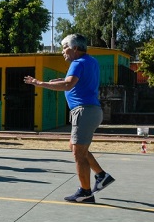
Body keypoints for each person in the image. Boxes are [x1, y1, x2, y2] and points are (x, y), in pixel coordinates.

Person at [24, 34, 115, 203]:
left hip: (84, 110)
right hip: (92, 110)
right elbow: (76, 82)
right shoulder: (91, 61)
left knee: (78, 153)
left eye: (64, 47)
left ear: (74, 48)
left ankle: (85, 192)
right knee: (75, 147)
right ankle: (101, 176)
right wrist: (60, 80)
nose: (62, 52)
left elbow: (68, 85)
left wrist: (39, 83)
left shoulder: (77, 63)